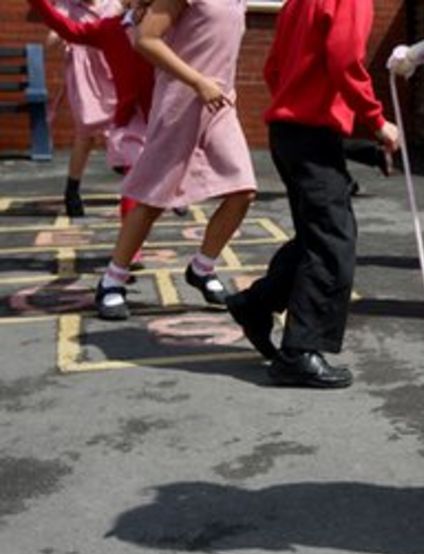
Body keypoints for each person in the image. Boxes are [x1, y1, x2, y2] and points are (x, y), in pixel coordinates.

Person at [225, 0, 400, 388]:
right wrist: (377, 121)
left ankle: (255, 306)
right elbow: (344, 60)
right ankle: (298, 352)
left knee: (315, 236)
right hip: (312, 133)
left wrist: (296, 100)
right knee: (333, 242)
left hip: (289, 132)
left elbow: (273, 68)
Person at [93, 0, 257, 321]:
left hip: (221, 103)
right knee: (154, 198)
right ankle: (112, 280)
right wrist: (197, 81)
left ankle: (202, 268)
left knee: (243, 191)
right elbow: (145, 39)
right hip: (180, 103)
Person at [28, 0, 155, 271]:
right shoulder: (110, 27)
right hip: (122, 107)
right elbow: (66, 28)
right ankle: (129, 251)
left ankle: (171, 193)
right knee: (124, 165)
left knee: (159, 175)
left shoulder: (169, 26)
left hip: (163, 112)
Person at [50, 0, 119, 217]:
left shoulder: (113, 3)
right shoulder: (68, 5)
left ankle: (162, 187)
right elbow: (53, 34)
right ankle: (72, 190)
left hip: (112, 69)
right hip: (84, 74)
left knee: (127, 126)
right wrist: (58, 37)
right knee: (86, 133)